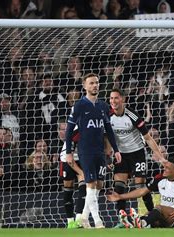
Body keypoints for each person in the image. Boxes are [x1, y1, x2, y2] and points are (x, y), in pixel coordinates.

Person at [65, 73, 121, 228]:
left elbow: (108, 130)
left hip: (100, 151)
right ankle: (97, 221)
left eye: (96, 83)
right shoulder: (79, 105)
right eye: (91, 83)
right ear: (85, 86)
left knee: (99, 185)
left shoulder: (103, 106)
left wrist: (116, 150)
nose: (95, 85)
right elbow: (69, 130)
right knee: (91, 183)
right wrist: (69, 151)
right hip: (85, 150)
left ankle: (84, 216)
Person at [108, 88, 164, 227]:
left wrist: (161, 157)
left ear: (123, 99)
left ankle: (153, 217)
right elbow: (106, 138)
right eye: (111, 98)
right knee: (119, 187)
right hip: (120, 155)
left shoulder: (132, 116)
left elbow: (148, 138)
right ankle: (123, 220)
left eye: (116, 98)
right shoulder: (108, 116)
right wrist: (109, 156)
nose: (113, 101)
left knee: (141, 186)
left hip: (137, 153)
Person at [107, 157, 174, 228]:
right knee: (150, 216)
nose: (164, 169)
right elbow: (142, 191)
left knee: (158, 208)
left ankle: (142, 223)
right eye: (164, 166)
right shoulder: (160, 178)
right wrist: (120, 196)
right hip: (164, 217)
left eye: (167, 168)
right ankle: (134, 224)